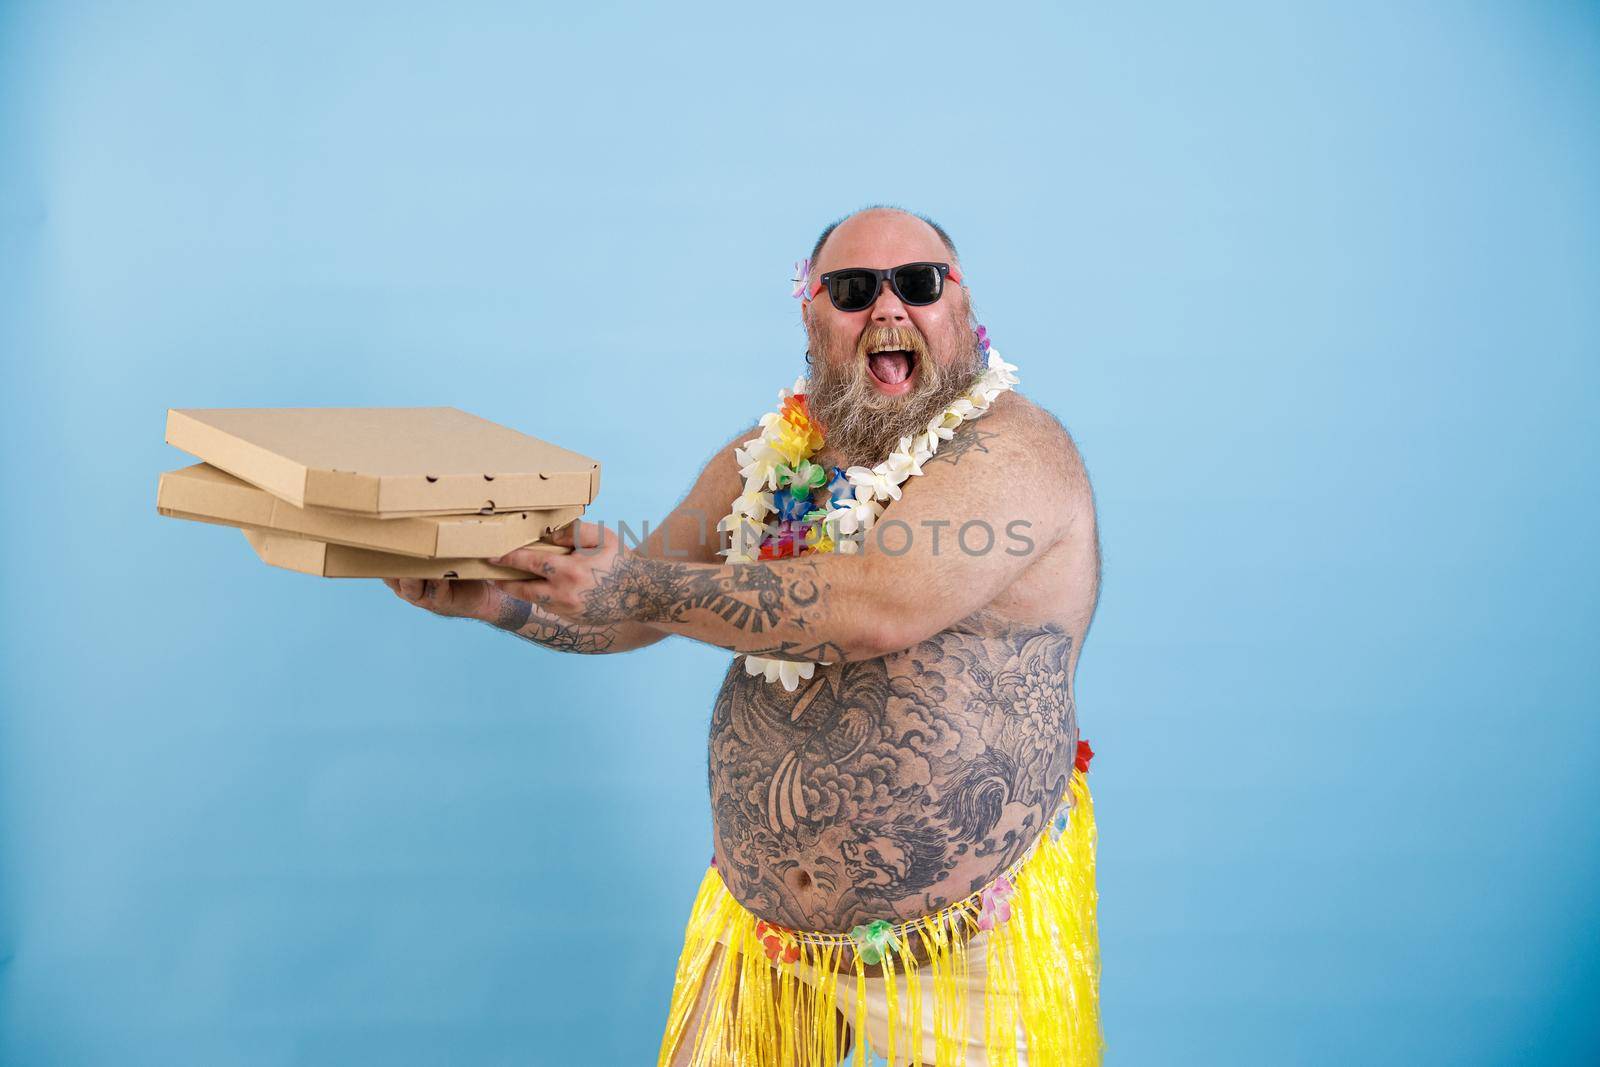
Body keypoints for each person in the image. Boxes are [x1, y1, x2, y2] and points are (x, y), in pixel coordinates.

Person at [384, 206, 1103, 1066]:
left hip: (962, 955)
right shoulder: (762, 460)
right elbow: (636, 609)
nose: (887, 308)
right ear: (810, 312)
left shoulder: (1017, 453)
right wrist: (499, 603)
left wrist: (635, 582)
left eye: (917, 283)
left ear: (960, 303)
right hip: (762, 942)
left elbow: (877, 606)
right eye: (851, 289)